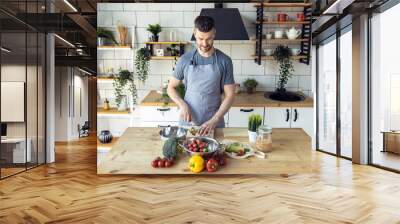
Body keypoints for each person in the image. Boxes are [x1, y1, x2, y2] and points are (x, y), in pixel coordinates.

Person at [167, 16, 235, 136]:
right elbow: (170, 87)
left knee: (216, 154)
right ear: (194, 34)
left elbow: (230, 95)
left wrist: (215, 119)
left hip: (214, 122)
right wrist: (182, 104)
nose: (204, 43)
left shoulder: (225, 61)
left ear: (214, 34)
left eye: (208, 39)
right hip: (188, 122)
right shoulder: (185, 59)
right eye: (200, 38)